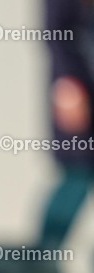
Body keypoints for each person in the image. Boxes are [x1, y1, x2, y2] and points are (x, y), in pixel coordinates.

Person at [39, 0, 94, 248]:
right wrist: (67, 83)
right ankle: (42, 257)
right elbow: (56, 32)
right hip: (79, 84)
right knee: (77, 173)